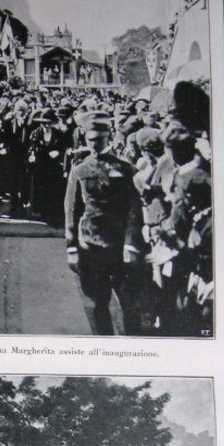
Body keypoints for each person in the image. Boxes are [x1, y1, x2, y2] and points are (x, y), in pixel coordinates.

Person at [64, 113, 144, 335]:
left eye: (99, 140)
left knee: (128, 302)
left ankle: (133, 353)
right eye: (90, 140)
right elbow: (71, 210)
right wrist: (71, 247)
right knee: (98, 303)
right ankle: (105, 348)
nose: (94, 145)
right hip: (90, 244)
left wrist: (130, 243)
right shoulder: (79, 170)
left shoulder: (126, 169)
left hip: (118, 245)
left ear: (108, 138)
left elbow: (134, 210)